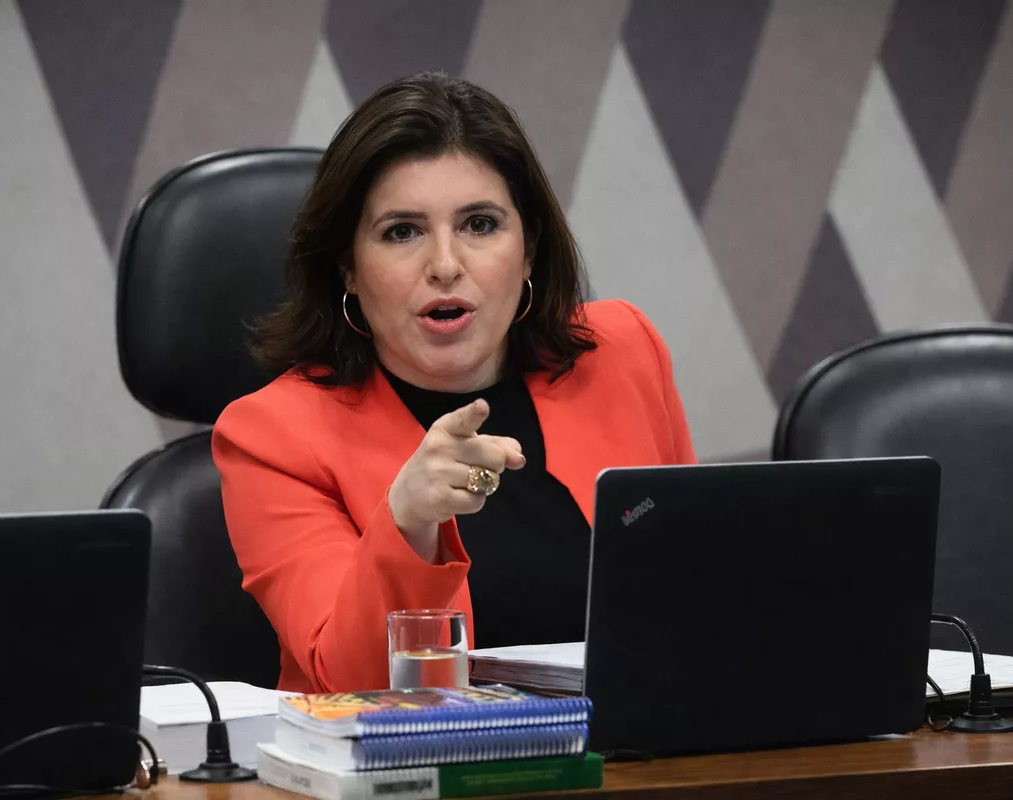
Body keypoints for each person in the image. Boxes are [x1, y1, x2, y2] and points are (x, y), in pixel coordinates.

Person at [213, 72, 696, 694]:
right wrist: (407, 523)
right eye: (402, 232)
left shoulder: (622, 352)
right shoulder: (271, 438)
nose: (445, 265)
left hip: (637, 745)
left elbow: (699, 589)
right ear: (348, 268)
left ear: (528, 250)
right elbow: (354, 687)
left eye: (480, 224)